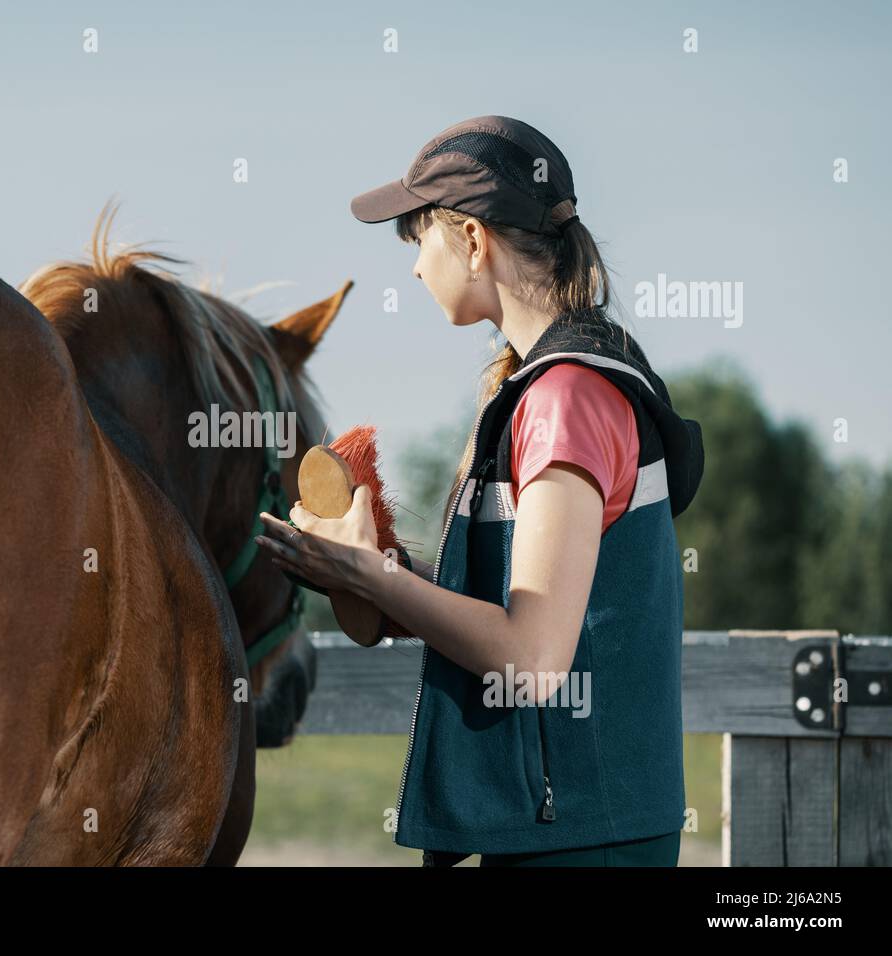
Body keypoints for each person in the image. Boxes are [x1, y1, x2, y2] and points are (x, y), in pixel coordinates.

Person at [256, 115, 704, 867]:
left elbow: (530, 656)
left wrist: (371, 575)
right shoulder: (559, 383)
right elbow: (510, 618)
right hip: (574, 828)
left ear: (470, 239)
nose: (412, 267)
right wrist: (366, 570)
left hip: (582, 842)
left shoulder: (567, 399)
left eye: (416, 237)